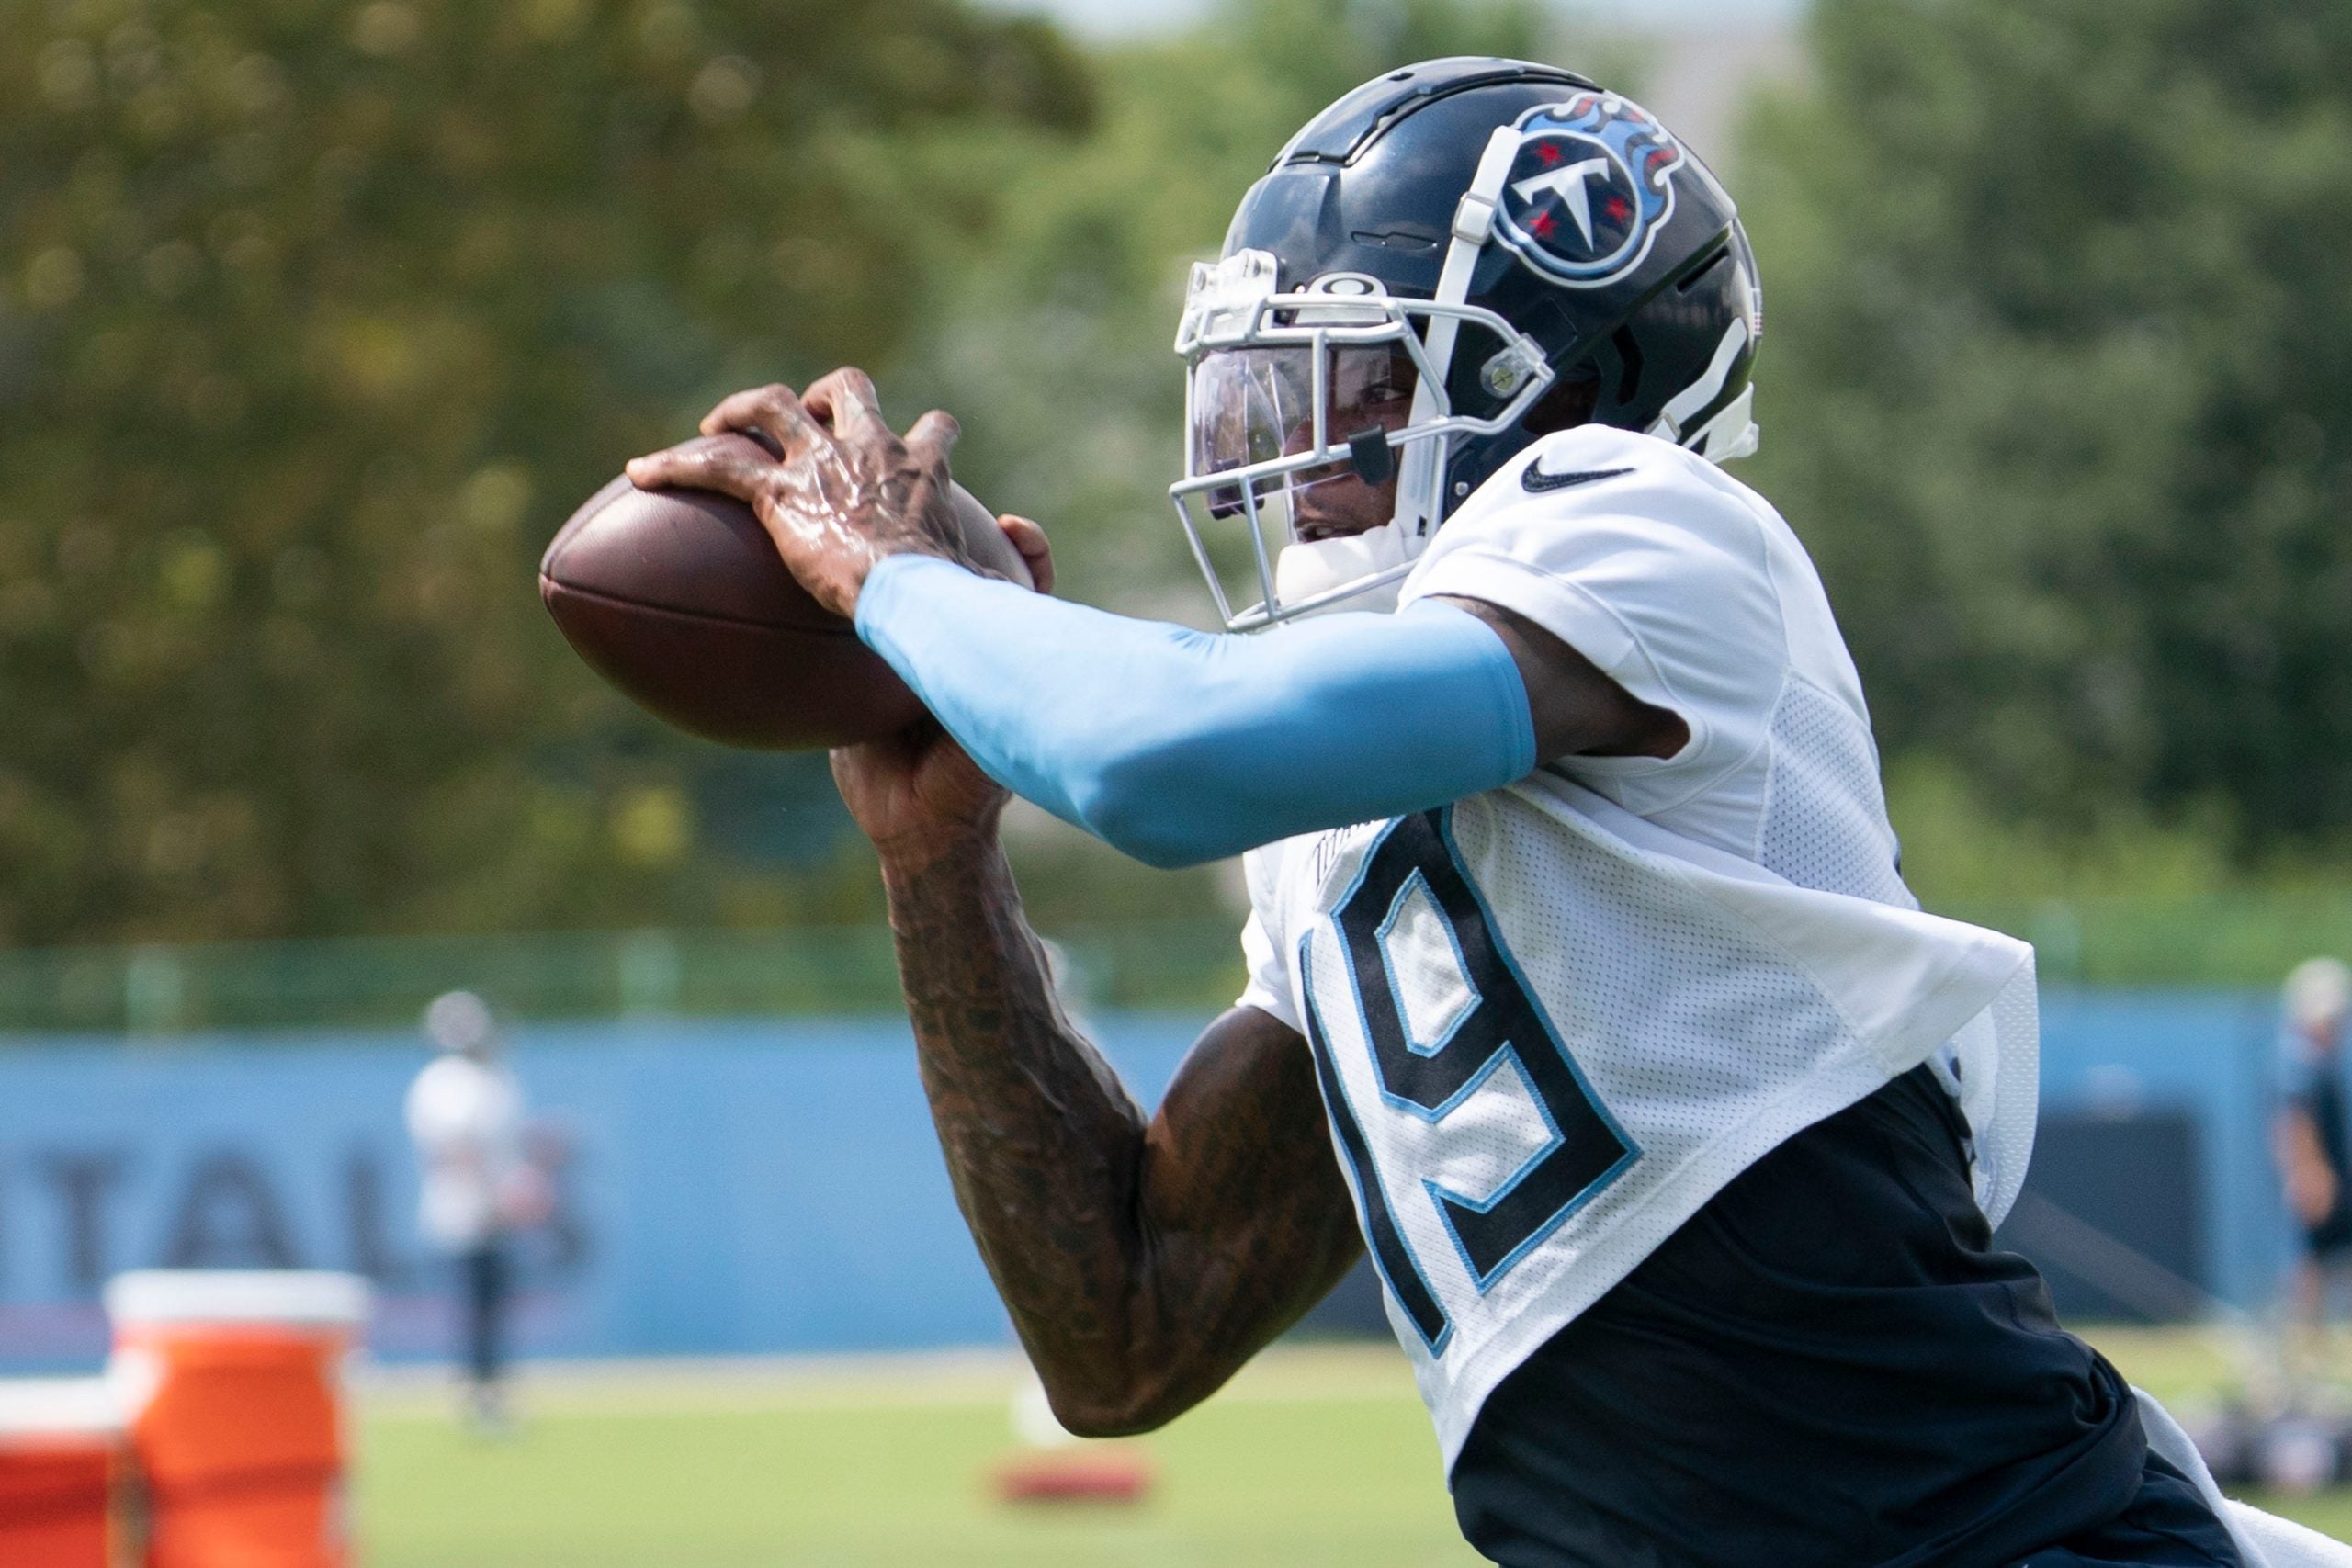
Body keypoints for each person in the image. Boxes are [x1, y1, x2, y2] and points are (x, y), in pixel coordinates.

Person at [630, 58, 2333, 1567]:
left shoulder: (1649, 522)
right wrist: (940, 859)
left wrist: (894, 584)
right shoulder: (1331, 809)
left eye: (1352, 384)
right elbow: (1127, 1331)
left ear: (1561, 384)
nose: (1290, 460)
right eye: (1267, 389)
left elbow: (1149, 757)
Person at [404, 989, 538, 1433]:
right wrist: (494, 1195)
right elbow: (456, 1146)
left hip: (488, 1208)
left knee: (493, 1305)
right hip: (466, 1210)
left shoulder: (488, 1079)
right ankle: (478, 1393)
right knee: (476, 1305)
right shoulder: (447, 1082)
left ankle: (491, 1387)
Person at [2277, 957, 2352, 1378]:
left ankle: (2313, 1348)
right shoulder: (2299, 1062)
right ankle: (2306, 1350)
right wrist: (2308, 1173)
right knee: (2312, 1266)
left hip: (2333, 1176)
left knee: (2322, 1264)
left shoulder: (2319, 1060)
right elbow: (2294, 1122)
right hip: (2322, 1180)